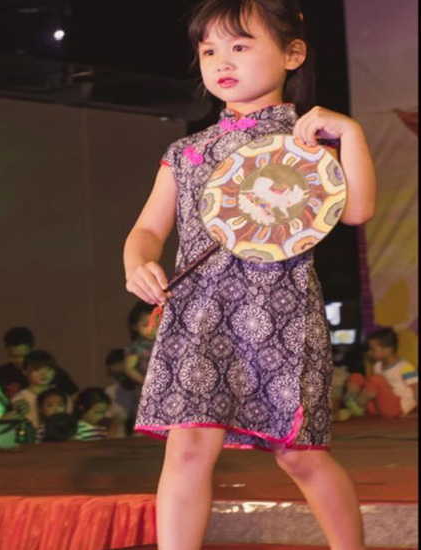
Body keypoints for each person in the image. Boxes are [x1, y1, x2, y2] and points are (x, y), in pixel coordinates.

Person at [123, 1, 377, 549]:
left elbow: (357, 210)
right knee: (188, 447)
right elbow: (146, 230)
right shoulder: (186, 151)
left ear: (293, 53)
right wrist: (137, 263)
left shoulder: (308, 141)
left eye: (240, 46)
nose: (222, 61)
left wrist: (350, 132)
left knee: (298, 453)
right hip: (199, 313)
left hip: (280, 313)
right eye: (209, 50)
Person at [343, 328, 418, 418]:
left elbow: (416, 389)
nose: (370, 353)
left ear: (388, 349)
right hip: (379, 406)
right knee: (356, 376)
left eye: (373, 350)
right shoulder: (377, 366)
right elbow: (371, 388)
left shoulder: (405, 367)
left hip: (396, 407)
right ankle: (351, 401)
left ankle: (358, 404)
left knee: (376, 379)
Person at [0, 327, 79, 399]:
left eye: (23, 355)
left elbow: (74, 396)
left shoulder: (53, 373)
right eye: (14, 356)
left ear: (32, 349)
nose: (19, 361)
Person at [120, 302, 158, 436]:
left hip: (164, 387)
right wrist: (145, 381)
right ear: (135, 327)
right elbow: (129, 368)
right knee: (145, 416)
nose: (152, 328)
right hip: (145, 389)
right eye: (146, 325)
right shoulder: (137, 346)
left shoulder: (163, 342)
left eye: (156, 323)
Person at [11, 350, 69, 429]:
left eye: (48, 369)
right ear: (25, 371)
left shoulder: (61, 395)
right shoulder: (20, 399)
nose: (44, 374)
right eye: (37, 370)